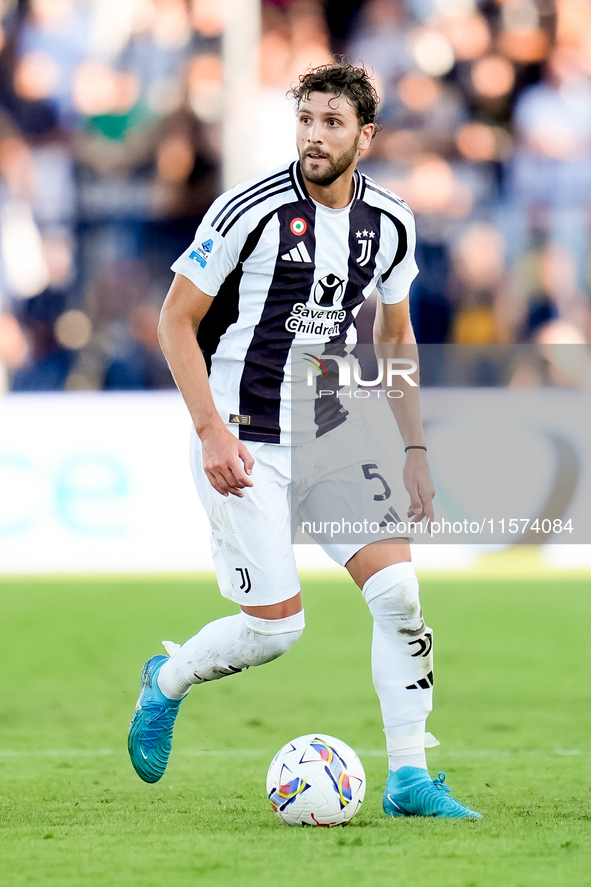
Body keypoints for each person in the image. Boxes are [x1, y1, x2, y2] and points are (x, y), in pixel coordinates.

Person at [128, 61, 482, 820]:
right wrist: (210, 431)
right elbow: (173, 320)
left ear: (366, 135)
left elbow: (395, 335)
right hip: (241, 438)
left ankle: (410, 776)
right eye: (305, 121)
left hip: (329, 429)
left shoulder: (388, 221)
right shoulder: (245, 210)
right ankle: (168, 678)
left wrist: (414, 448)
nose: (314, 137)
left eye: (331, 123)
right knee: (276, 631)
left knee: (400, 597)